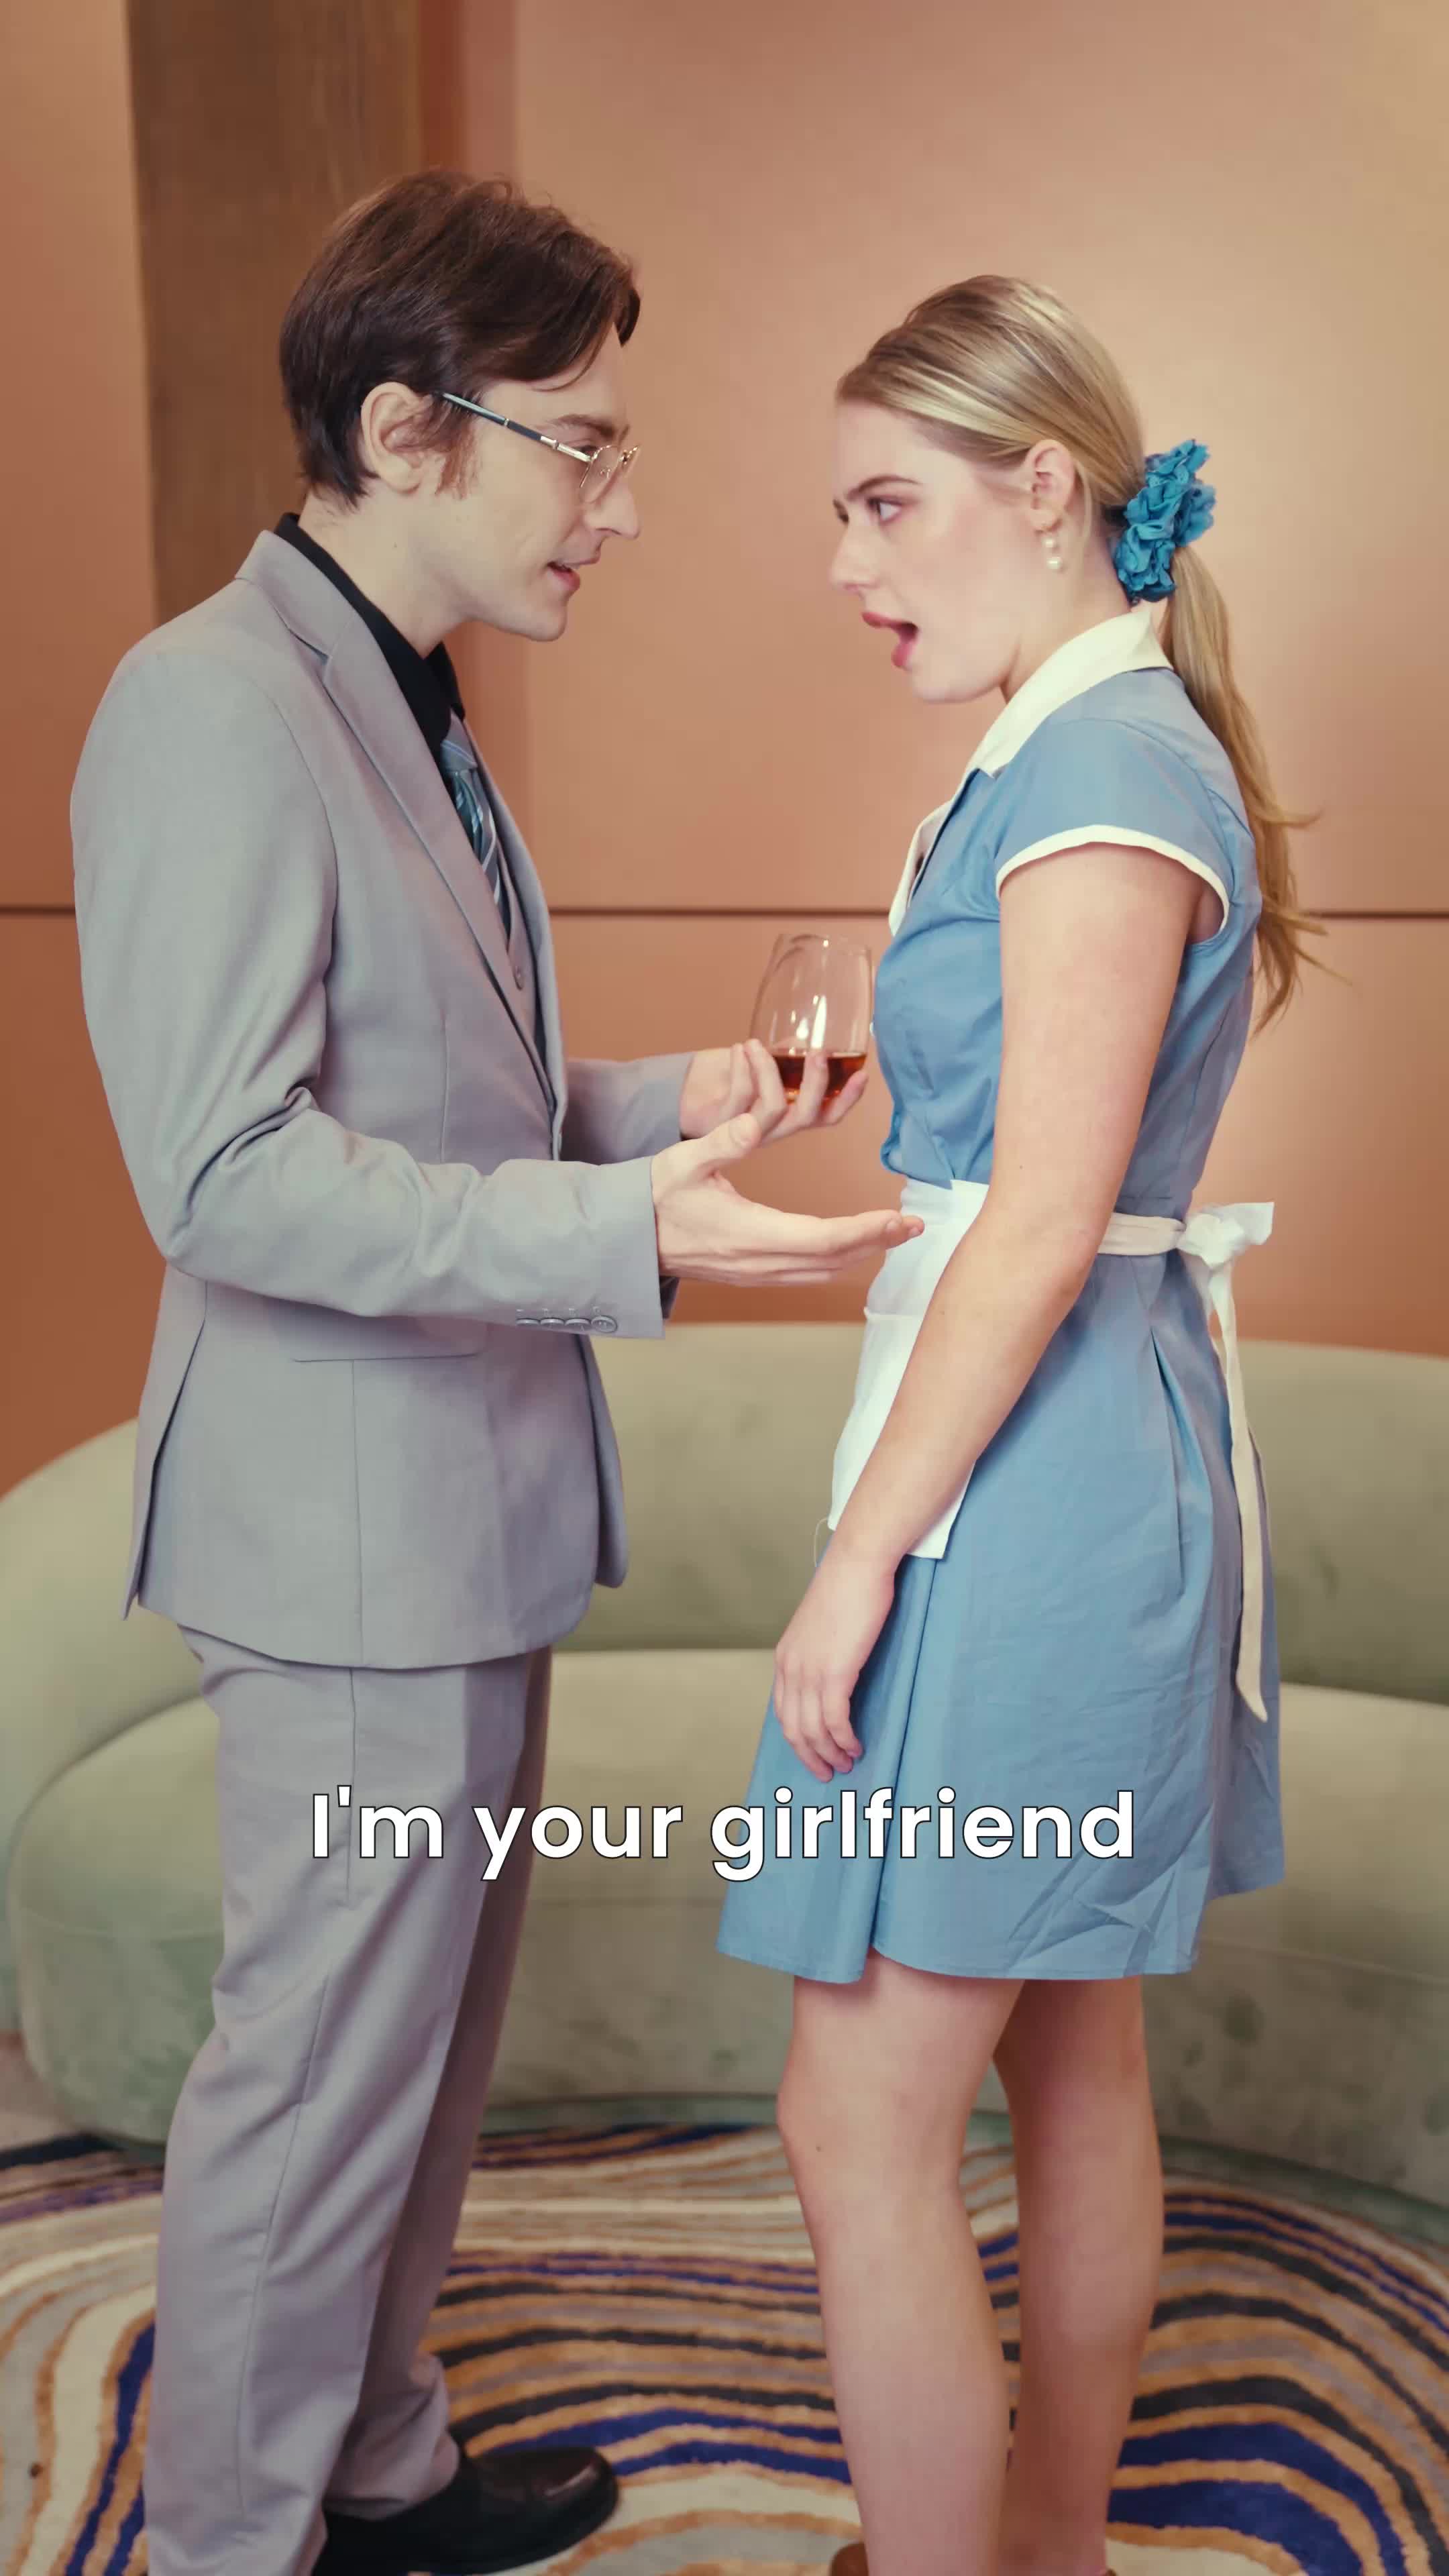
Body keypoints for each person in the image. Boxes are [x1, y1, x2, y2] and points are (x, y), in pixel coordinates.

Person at [70, 170, 921, 2576]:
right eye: (587, 445)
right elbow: (229, 1176)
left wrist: (669, 1114)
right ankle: (233, 2545)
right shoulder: (210, 705)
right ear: (402, 430)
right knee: (315, 2089)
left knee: (416, 2071)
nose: (618, 506)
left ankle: (371, 2473)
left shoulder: (401, 699)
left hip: (462, 1516)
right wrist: (625, 1228)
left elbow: (438, 1111)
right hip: (343, 1540)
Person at [715, 274, 1324, 2576]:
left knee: (854, 2120)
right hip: (1077, 1451)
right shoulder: (1087, 746)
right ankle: (1047, 2544)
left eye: (887, 505)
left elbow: (1048, 1224)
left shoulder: (1100, 767)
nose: (846, 564)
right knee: (1073, 2055)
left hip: (1034, 1482)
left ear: (1046, 488)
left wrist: (859, 1555)